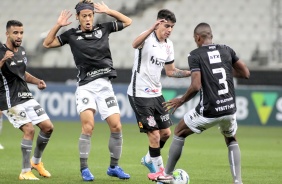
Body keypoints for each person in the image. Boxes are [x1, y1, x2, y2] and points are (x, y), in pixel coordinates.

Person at [148, 22, 250, 184]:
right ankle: (238, 181)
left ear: (197, 38)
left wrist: (181, 100)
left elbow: (196, 86)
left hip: (210, 109)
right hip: (230, 108)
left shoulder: (195, 55)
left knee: (180, 130)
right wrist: (224, 72)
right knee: (231, 138)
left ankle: (167, 174)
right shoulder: (226, 50)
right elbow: (245, 73)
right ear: (211, 36)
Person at [42, 0, 132, 181]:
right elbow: (47, 43)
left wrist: (109, 11)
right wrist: (58, 25)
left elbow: (128, 21)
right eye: (84, 16)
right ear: (78, 18)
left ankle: (114, 167)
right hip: (86, 87)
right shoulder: (71, 35)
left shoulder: (103, 28)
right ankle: (84, 169)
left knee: (117, 126)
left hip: (105, 86)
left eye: (90, 15)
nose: (88, 19)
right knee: (88, 126)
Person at [127, 9, 191, 177]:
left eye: (172, 27)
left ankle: (149, 159)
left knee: (166, 133)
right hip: (139, 93)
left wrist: (191, 73)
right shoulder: (147, 37)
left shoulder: (168, 45)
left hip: (156, 94)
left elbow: (170, 71)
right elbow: (134, 44)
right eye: (167, 25)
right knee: (154, 135)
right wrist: (150, 29)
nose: (169, 29)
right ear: (158, 23)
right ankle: (161, 173)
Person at [0, 20, 54, 180]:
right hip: (10, 99)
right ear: (7, 34)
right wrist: (3, 60)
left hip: (25, 96)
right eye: (15, 32)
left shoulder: (22, 51)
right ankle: (25, 171)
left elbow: (22, 74)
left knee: (48, 127)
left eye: (21, 33)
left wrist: (37, 81)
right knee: (29, 130)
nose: (19, 36)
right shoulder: (0, 51)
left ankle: (36, 162)